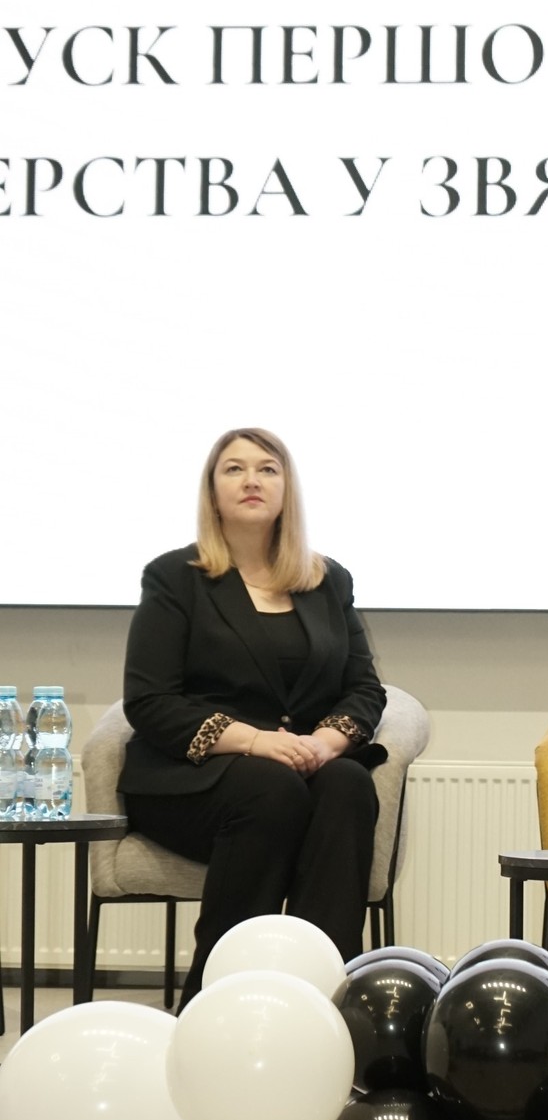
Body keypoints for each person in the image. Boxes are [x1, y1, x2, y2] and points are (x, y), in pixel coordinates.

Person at [120, 427, 387, 1005]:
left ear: (286, 489)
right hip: (192, 779)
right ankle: (214, 997)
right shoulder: (175, 578)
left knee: (347, 785)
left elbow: (364, 687)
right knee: (272, 790)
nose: (251, 480)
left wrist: (327, 741)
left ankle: (320, 997)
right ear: (212, 491)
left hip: (299, 768)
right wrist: (254, 740)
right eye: (234, 468)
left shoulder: (327, 579)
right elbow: (149, 701)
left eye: (267, 468)